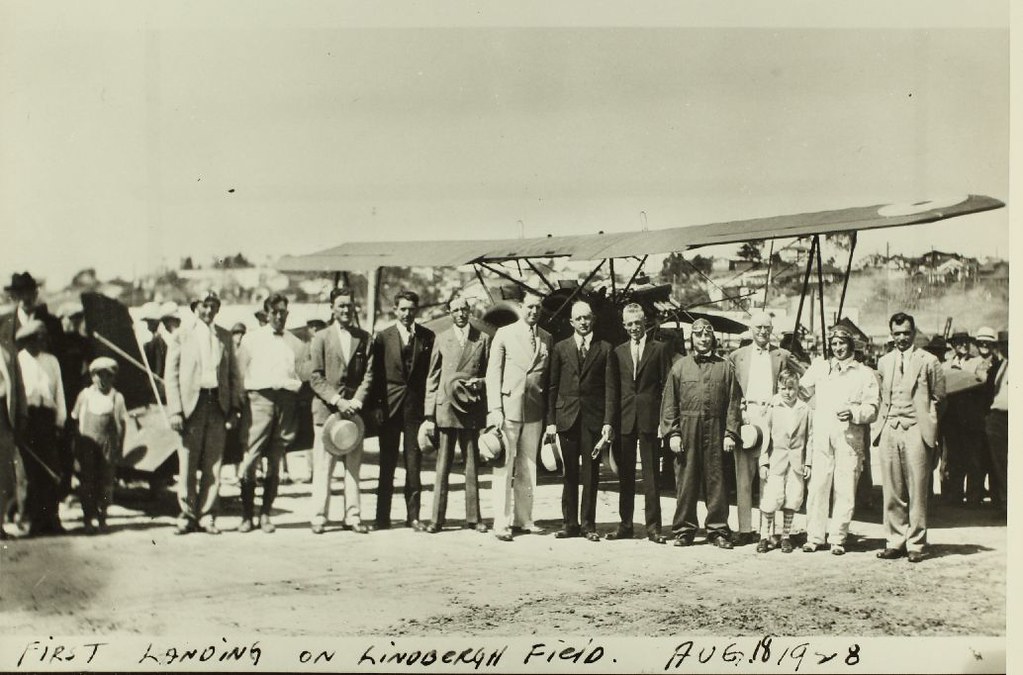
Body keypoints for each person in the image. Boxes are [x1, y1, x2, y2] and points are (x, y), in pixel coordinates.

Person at [165, 291, 244, 535]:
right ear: (195, 308)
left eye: (213, 306)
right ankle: (187, 515)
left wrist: (234, 408)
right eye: (204, 306)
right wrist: (176, 411)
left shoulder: (224, 336)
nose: (208, 311)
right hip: (192, 406)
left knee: (214, 463)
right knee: (187, 462)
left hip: (217, 405)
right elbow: (172, 376)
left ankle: (207, 515)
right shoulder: (182, 336)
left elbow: (232, 375)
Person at [798, 325, 879, 555]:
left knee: (844, 487)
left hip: (849, 436)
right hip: (822, 434)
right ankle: (814, 536)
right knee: (817, 486)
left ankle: (837, 538)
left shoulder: (864, 373)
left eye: (842, 343)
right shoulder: (820, 367)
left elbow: (872, 408)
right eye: (833, 344)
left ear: (851, 345)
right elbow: (803, 391)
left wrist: (854, 413)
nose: (838, 348)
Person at [660, 318, 741, 549]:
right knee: (686, 481)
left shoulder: (726, 367)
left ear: (712, 338)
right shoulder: (679, 367)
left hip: (716, 430)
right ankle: (684, 529)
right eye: (698, 335)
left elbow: (734, 403)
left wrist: (730, 433)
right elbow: (669, 404)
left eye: (707, 335)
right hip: (687, 429)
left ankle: (717, 530)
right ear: (692, 338)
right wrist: (673, 433)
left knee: (717, 480)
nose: (703, 339)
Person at [875, 312, 946, 563]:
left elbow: (939, 398)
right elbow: (883, 396)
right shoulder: (884, 362)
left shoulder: (929, 361)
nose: (902, 338)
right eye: (897, 334)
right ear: (891, 335)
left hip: (917, 428)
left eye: (906, 333)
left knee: (917, 488)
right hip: (890, 427)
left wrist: (929, 424)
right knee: (892, 489)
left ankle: (916, 543)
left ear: (914, 333)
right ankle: (895, 541)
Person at [726, 310, 798, 546]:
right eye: (758, 327)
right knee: (743, 476)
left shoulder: (782, 355)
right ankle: (745, 529)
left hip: (773, 417)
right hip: (747, 418)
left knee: (770, 475)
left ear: (771, 329)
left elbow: (803, 380)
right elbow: (729, 389)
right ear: (751, 329)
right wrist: (739, 411)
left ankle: (768, 531)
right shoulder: (737, 357)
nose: (763, 331)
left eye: (767, 327)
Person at [236, 294, 306, 533]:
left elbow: (302, 375)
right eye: (275, 312)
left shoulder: (296, 343)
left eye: (283, 312)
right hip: (259, 401)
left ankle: (266, 514)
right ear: (266, 314)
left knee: (275, 461)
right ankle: (247, 515)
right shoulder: (251, 340)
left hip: (286, 401)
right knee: (250, 459)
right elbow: (239, 373)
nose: (279, 316)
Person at [486, 292, 552, 541]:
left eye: (538, 308)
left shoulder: (546, 337)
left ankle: (525, 519)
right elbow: (494, 373)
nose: (534, 311)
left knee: (529, 467)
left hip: (534, 410)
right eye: (530, 307)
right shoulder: (504, 333)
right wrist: (495, 409)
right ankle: (501, 523)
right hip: (508, 409)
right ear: (522, 307)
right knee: (503, 465)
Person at [605, 303, 674, 544]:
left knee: (651, 475)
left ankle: (654, 528)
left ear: (645, 323)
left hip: (650, 420)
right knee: (624, 475)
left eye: (638, 323)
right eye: (629, 324)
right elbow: (613, 389)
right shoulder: (618, 352)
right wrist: (610, 422)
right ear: (624, 326)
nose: (634, 327)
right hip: (624, 420)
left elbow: (667, 388)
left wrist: (663, 421)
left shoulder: (659, 350)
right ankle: (625, 525)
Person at [308, 287, 374, 535]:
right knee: (324, 469)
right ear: (332, 309)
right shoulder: (321, 337)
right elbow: (315, 377)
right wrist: (337, 400)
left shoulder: (364, 338)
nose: (346, 310)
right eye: (341, 305)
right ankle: (319, 516)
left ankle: (353, 516)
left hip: (353, 415)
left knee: (353, 469)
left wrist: (356, 401)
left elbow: (369, 374)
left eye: (350, 305)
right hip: (327, 414)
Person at [545, 300, 613, 542]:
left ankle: (588, 525)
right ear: (571, 322)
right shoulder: (560, 348)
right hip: (567, 419)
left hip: (593, 421)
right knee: (569, 474)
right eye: (579, 319)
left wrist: (607, 421)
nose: (583, 322)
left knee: (591, 475)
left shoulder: (605, 348)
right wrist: (551, 421)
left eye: (587, 318)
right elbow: (552, 386)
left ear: (592, 319)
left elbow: (609, 388)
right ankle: (569, 524)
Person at [422, 297, 491, 534]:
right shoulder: (441, 339)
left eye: (464, 309)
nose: (460, 313)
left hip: (469, 407)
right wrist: (429, 415)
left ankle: (474, 518)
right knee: (443, 466)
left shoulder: (482, 339)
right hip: (446, 409)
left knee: (472, 465)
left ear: (470, 312)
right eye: (456, 310)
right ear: (449, 313)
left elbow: (489, 374)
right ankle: (436, 519)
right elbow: (432, 378)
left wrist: (478, 383)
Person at [371, 290, 435, 531]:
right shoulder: (382, 337)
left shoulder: (427, 337)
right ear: (395, 310)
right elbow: (375, 375)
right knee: (386, 463)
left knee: (413, 463)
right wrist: (376, 406)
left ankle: (413, 517)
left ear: (416, 310)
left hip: (414, 410)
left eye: (411, 309)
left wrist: (429, 411)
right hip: (388, 408)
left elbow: (431, 375)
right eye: (403, 309)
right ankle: (382, 517)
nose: (407, 314)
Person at [16, 319, 67, 536]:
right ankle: (29, 521)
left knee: (51, 469)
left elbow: (59, 393)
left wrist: (60, 420)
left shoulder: (51, 361)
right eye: (38, 339)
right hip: (28, 419)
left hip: (47, 419)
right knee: (29, 473)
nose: (42, 343)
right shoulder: (18, 361)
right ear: (27, 341)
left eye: (43, 338)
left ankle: (51, 519)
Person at [756, 370, 811, 553]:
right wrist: (763, 462)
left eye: (791, 388)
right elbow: (765, 437)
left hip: (796, 462)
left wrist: (808, 462)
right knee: (771, 498)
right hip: (776, 461)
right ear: (778, 388)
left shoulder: (804, 409)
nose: (787, 392)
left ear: (797, 388)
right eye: (783, 388)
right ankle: (764, 536)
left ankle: (786, 536)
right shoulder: (773, 406)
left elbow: (810, 437)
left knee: (792, 498)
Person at [71, 357, 127, 534]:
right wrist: (76, 448)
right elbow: (74, 421)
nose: (103, 380)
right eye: (98, 376)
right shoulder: (85, 396)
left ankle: (103, 517)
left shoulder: (117, 398)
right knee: (87, 483)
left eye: (107, 376)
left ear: (113, 378)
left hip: (108, 447)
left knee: (106, 483)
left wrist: (120, 448)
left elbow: (122, 426)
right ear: (92, 377)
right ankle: (88, 518)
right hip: (87, 446)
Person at [940, 330, 989, 506]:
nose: (963, 345)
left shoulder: (978, 363)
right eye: (959, 342)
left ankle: (973, 498)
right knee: (951, 459)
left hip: (971, 419)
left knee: (973, 459)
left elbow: (983, 382)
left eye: (966, 342)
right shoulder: (944, 366)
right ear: (952, 345)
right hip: (950, 421)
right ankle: (953, 496)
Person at [0, 339, 25, 539]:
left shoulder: (9, 350)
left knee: (4, 476)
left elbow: (19, 385)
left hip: (3, 417)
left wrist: (21, 413)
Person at [981, 329, 1007, 514]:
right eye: (1003, 345)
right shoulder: (998, 366)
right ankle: (1001, 502)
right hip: (995, 417)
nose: (1006, 348)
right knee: (996, 461)